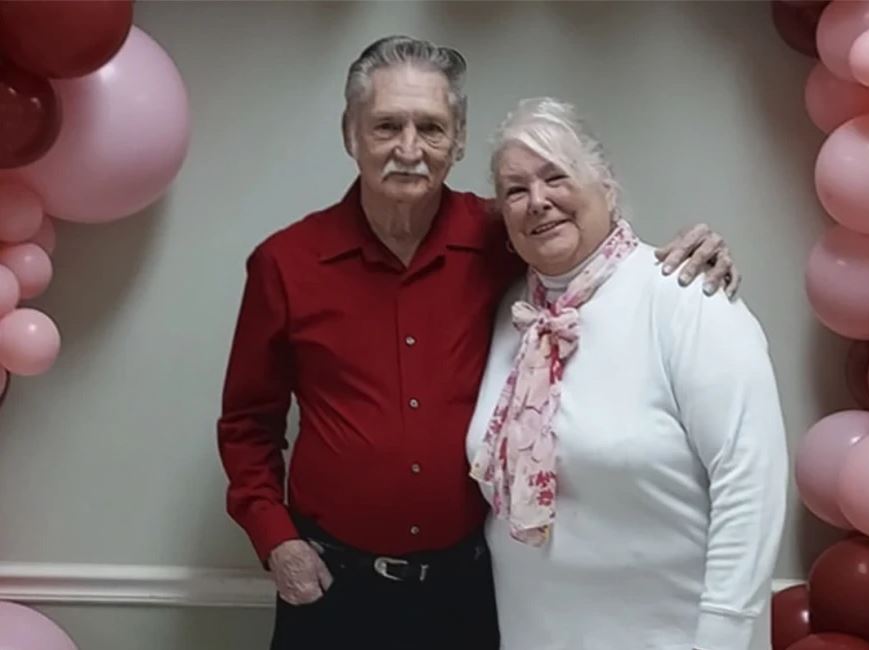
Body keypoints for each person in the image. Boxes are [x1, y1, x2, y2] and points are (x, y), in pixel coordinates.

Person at [217, 36, 741, 650]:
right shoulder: (286, 263)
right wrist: (275, 537)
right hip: (333, 588)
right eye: (386, 126)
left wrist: (686, 257)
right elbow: (247, 424)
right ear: (350, 134)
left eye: (431, 128)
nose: (409, 149)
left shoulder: (505, 236)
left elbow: (596, 256)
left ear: (459, 140)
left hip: (467, 592)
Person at [466, 97, 788, 650]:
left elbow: (750, 480)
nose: (537, 201)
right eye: (515, 190)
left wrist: (725, 633)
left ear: (607, 185)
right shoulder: (510, 314)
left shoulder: (685, 297)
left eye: (556, 177)